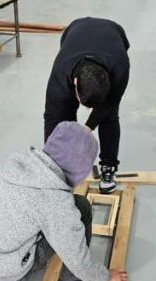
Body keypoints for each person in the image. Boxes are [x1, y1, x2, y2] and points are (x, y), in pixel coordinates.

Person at [0, 122, 128, 281]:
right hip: (3, 266)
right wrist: (107, 277)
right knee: (81, 208)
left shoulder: (16, 163)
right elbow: (78, 260)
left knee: (21, 226)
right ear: (80, 169)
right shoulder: (56, 202)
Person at [43, 17, 131, 194]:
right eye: (85, 105)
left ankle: (108, 168)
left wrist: (87, 127)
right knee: (63, 114)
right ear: (75, 83)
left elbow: (108, 106)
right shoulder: (61, 71)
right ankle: (59, 168)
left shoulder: (120, 68)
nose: (89, 110)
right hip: (75, 29)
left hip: (115, 34)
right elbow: (52, 117)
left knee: (110, 116)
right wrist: (49, 160)